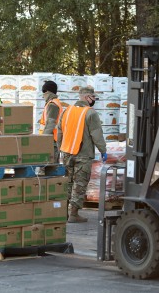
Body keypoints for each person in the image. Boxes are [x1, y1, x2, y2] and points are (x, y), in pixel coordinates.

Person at [57, 86, 107, 223]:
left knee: (67, 182)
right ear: (87, 97)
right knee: (79, 184)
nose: (94, 100)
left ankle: (63, 213)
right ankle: (73, 214)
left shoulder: (67, 111)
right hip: (83, 155)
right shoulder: (90, 113)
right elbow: (97, 135)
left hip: (67, 153)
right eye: (93, 98)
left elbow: (59, 131)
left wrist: (60, 148)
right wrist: (103, 150)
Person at [38, 80, 63, 163]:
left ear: (48, 92)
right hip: (51, 139)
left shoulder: (52, 105)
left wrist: (43, 139)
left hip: (52, 140)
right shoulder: (51, 103)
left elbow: (50, 124)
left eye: (44, 91)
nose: (43, 94)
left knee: (50, 165)